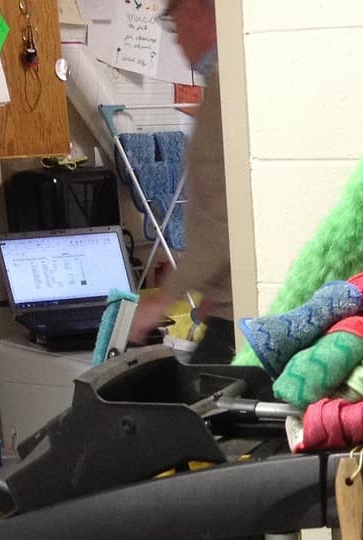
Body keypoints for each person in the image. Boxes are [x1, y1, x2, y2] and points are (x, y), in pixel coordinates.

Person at [130, 0, 233, 362]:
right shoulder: (233, 82)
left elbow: (224, 220)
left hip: (241, 320)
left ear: (193, 11)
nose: (175, 40)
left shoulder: (226, 94)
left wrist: (160, 301)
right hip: (231, 304)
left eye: (173, 25)